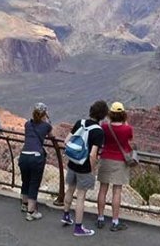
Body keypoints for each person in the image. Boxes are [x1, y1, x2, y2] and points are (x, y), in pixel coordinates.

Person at [62, 100, 108, 237]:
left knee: (70, 189)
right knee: (81, 196)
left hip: (73, 163)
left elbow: (66, 141)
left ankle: (65, 215)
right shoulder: (98, 132)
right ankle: (78, 227)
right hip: (85, 167)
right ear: (103, 115)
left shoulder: (79, 122)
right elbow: (93, 154)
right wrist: (92, 170)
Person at [95, 102, 134, 232]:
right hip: (120, 162)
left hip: (106, 159)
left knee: (102, 189)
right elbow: (130, 139)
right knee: (117, 191)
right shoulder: (127, 129)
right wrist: (125, 121)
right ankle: (115, 221)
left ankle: (100, 218)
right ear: (123, 114)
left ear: (110, 114)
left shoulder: (105, 127)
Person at [19, 103, 54, 221]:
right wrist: (47, 120)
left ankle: (24, 204)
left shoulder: (27, 124)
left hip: (24, 156)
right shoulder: (46, 126)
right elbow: (51, 136)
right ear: (44, 113)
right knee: (34, 183)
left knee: (26, 180)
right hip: (36, 157)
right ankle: (31, 212)